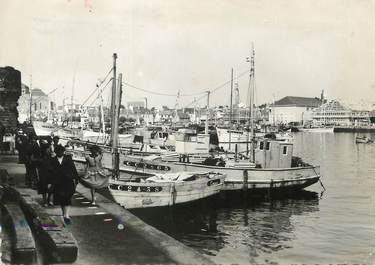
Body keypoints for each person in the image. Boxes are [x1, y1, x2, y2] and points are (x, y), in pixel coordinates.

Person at [50, 144, 79, 225]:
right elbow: (50, 171)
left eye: (61, 151)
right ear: (56, 152)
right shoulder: (53, 160)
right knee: (61, 198)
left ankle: (66, 215)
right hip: (58, 182)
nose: (60, 152)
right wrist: (50, 182)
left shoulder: (68, 159)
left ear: (63, 151)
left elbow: (73, 169)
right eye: (58, 151)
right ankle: (64, 214)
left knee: (67, 197)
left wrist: (76, 178)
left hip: (67, 181)